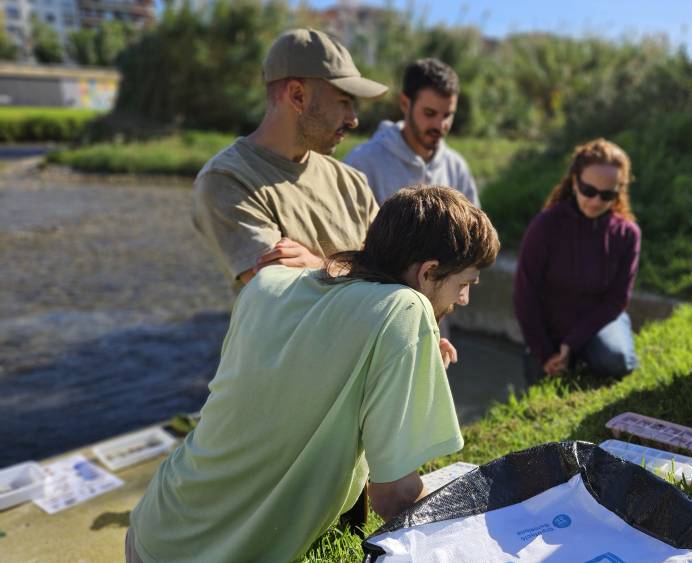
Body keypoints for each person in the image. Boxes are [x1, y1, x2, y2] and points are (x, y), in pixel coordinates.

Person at [126, 187, 501, 563]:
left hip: (155, 527)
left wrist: (408, 355)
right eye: (464, 284)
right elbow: (395, 497)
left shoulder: (266, 284)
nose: (463, 299)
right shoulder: (404, 310)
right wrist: (485, 520)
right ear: (428, 273)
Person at [192, 28, 387, 288]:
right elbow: (284, 289)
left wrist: (319, 266)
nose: (353, 119)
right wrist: (364, 269)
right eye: (343, 101)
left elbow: (395, 271)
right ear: (297, 96)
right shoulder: (226, 180)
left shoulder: (352, 182)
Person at [514, 138, 640, 383]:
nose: (595, 202)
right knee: (541, 380)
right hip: (549, 322)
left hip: (598, 321)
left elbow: (617, 300)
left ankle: (583, 355)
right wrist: (546, 351)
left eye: (607, 195)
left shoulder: (627, 234)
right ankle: (563, 357)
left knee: (618, 360)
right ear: (574, 182)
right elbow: (525, 294)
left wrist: (572, 343)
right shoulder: (545, 225)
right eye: (588, 191)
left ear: (619, 192)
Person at [344, 58, 479, 207]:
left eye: (447, 115)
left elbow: (474, 229)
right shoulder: (362, 164)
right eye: (429, 113)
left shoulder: (456, 168)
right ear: (405, 104)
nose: (440, 125)